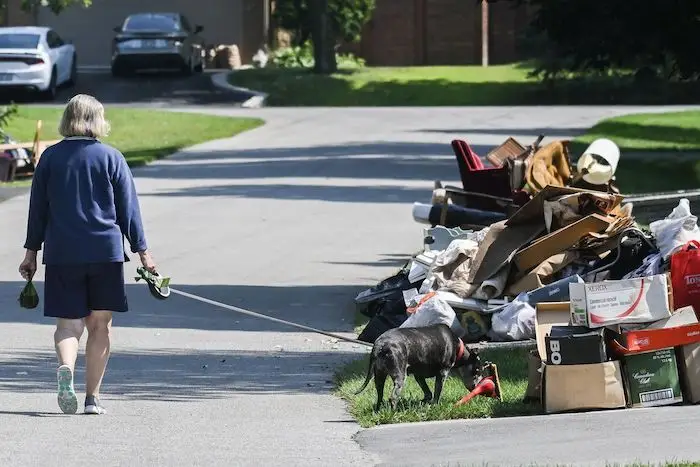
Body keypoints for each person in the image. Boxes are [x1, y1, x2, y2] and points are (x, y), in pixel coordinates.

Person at [18, 94, 157, 415]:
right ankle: (92, 398)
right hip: (104, 253)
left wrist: (31, 253)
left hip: (63, 254)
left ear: (67, 120)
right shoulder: (112, 158)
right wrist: (143, 253)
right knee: (100, 326)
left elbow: (37, 210)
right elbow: (129, 212)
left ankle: (66, 367)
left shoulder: (50, 159)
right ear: (98, 121)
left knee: (68, 326)